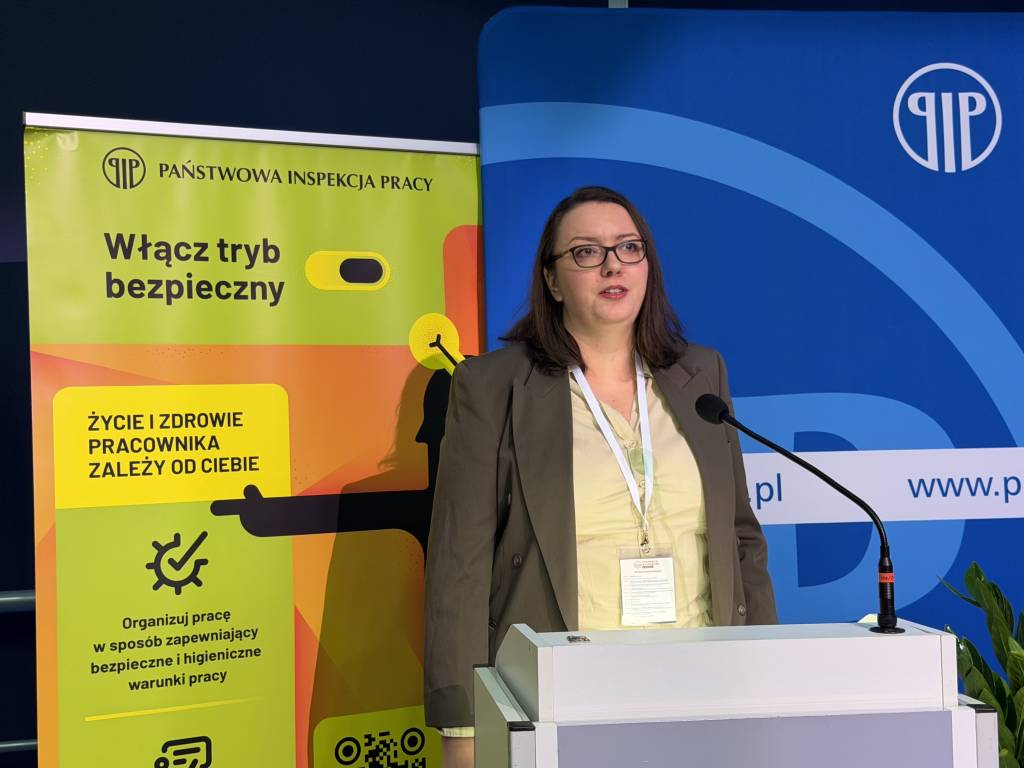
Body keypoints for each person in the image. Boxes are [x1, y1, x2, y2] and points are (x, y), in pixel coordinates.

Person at [423, 186, 777, 767]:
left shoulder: (701, 373)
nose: (613, 265)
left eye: (628, 248)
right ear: (553, 281)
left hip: (703, 685)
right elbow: (459, 564)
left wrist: (769, 673)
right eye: (587, 252)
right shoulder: (492, 386)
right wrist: (462, 727)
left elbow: (741, 538)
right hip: (563, 692)